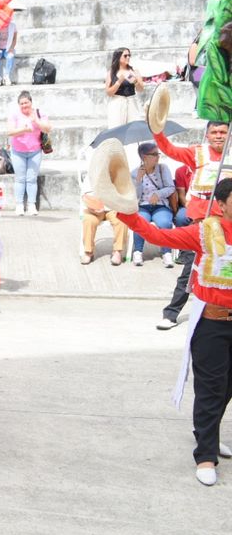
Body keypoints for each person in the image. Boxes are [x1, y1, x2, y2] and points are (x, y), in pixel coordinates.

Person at [96, 149, 232, 486]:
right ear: (223, 204)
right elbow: (159, 236)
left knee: (227, 388)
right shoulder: (204, 232)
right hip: (212, 323)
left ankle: (209, 432)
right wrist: (128, 214)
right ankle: (205, 454)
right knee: (211, 388)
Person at [159, 164, 195, 329]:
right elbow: (185, 199)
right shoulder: (192, 175)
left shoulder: (223, 170)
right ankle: (171, 314)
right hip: (201, 231)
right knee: (189, 274)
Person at [7, 90, 52, 216]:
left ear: (31, 102)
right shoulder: (14, 115)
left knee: (31, 179)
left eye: (26, 103)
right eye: (21, 104)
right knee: (20, 179)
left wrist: (36, 121)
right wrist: (24, 129)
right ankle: (19, 205)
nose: (24, 106)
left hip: (35, 151)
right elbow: (10, 131)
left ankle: (32, 205)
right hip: (18, 151)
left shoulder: (39, 113)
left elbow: (48, 128)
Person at [130, 142, 175, 267]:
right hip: (142, 206)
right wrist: (138, 180)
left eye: (158, 153)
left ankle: (166, 252)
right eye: (154, 154)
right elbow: (134, 196)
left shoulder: (162, 168)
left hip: (160, 205)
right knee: (140, 222)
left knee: (165, 223)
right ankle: (138, 251)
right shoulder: (134, 173)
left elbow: (171, 187)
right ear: (144, 157)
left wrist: (158, 194)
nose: (158, 156)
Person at [79, 188, 127, 266]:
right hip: (94, 209)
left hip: (113, 208)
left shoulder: (117, 176)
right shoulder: (91, 176)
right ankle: (88, 252)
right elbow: (85, 194)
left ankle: (117, 251)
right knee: (88, 220)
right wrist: (93, 206)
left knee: (122, 220)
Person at [105, 47, 145, 128]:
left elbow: (141, 89)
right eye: (125, 56)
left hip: (131, 102)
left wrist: (135, 81)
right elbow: (109, 93)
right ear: (118, 57)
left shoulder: (134, 71)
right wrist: (119, 82)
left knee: (134, 129)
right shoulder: (111, 72)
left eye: (129, 55)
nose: (128, 57)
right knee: (116, 128)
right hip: (117, 103)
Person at [0, 17, 17, 86]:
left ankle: (6, 76)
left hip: (8, 48)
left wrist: (12, 47)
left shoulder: (13, 25)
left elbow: (14, 39)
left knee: (10, 56)